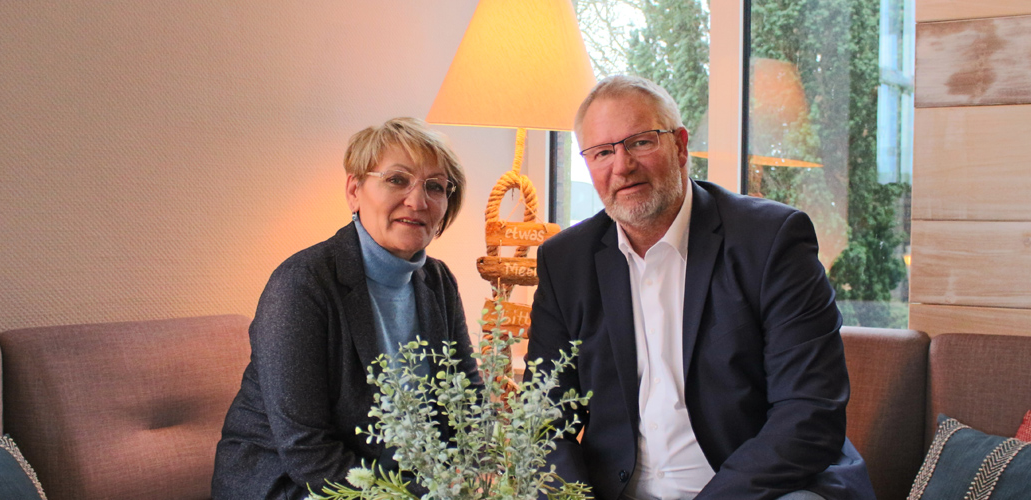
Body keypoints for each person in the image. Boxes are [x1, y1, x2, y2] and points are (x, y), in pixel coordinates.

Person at [525, 75, 874, 500]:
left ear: (681, 146)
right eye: (602, 152)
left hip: (755, 491)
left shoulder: (771, 240)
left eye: (640, 142)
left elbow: (808, 412)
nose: (622, 166)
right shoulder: (566, 262)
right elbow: (543, 421)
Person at [212, 117, 481, 499]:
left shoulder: (438, 281)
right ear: (354, 190)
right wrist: (417, 494)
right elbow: (307, 450)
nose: (418, 201)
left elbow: (467, 402)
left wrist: (473, 475)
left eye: (434, 187)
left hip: (410, 483)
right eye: (397, 179)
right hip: (293, 483)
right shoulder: (302, 284)